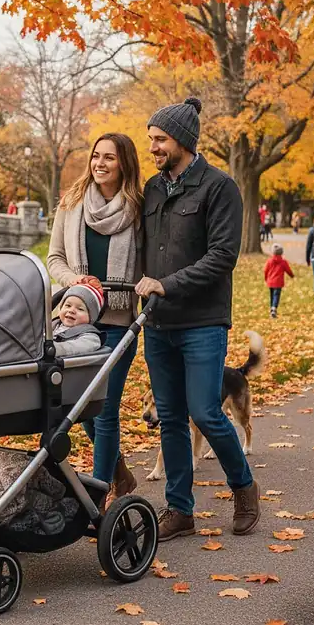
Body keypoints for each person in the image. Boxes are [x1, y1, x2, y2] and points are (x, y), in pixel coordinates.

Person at [135, 96, 260, 541]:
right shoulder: (152, 189)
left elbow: (223, 256)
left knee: (205, 411)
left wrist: (167, 283)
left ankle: (244, 488)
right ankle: (180, 510)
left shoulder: (219, 187)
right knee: (169, 417)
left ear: (184, 141)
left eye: (160, 139)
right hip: (158, 323)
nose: (152, 148)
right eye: (151, 139)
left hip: (203, 322)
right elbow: (143, 251)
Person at [47, 132, 142, 503]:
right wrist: (75, 280)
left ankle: (99, 496)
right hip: (77, 322)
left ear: (125, 164)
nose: (100, 164)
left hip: (119, 325)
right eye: (96, 156)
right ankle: (119, 470)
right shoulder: (71, 204)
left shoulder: (139, 208)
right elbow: (55, 258)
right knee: (77, 407)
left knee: (104, 411)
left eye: (110, 158)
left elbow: (148, 264)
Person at [52, 282, 105, 357]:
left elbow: (75, 347)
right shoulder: (53, 325)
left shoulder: (91, 337)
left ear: (91, 317)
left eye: (80, 309)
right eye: (68, 305)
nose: (71, 310)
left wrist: (56, 348)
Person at [264, 243, 294, 318]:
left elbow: (265, 270)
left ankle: (272, 308)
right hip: (278, 283)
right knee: (276, 296)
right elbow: (288, 270)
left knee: (272, 295)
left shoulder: (269, 261)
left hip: (270, 282)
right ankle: (274, 309)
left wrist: (266, 278)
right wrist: (292, 275)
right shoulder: (283, 262)